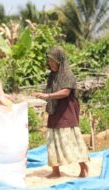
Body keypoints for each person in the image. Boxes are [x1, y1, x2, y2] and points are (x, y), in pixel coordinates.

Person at [34, 46, 89, 178]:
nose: (50, 63)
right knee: (52, 139)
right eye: (49, 60)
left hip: (66, 110)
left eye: (53, 60)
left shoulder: (67, 74)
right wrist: (45, 97)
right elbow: (51, 90)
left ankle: (83, 167)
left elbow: (66, 92)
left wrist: (47, 96)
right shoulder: (52, 75)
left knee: (70, 139)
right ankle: (56, 170)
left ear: (60, 60)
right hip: (55, 110)